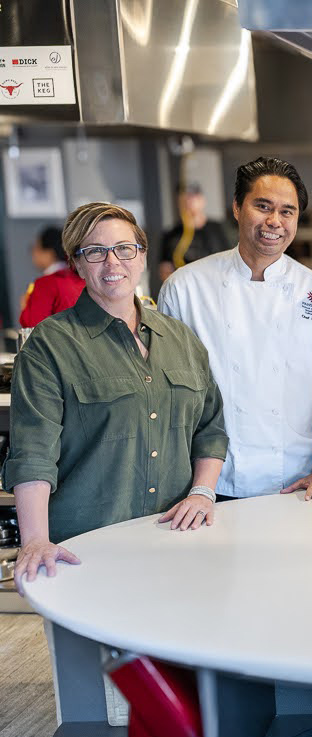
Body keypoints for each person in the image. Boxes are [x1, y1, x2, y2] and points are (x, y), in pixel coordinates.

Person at [4, 202, 227, 586]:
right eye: (95, 251)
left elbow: (210, 428)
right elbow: (33, 453)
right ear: (77, 263)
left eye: (124, 249)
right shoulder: (50, 345)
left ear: (141, 255)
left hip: (177, 540)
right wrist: (36, 539)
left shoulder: (181, 339)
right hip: (87, 551)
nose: (112, 263)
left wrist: (203, 493)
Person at [158, 157, 312, 500]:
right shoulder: (184, 288)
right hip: (208, 484)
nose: (274, 221)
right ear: (236, 207)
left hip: (298, 480)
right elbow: (169, 395)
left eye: (287, 211)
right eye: (263, 206)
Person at [157, 182, 231, 286]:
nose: (188, 201)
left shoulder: (218, 229)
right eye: (184, 197)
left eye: (193, 196)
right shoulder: (171, 235)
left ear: (202, 200)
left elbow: (230, 260)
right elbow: (165, 270)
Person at [19, 225, 84, 327]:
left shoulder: (45, 284)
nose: (33, 253)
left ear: (49, 253)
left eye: (36, 248)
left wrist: (26, 307)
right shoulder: (81, 278)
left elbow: (34, 326)